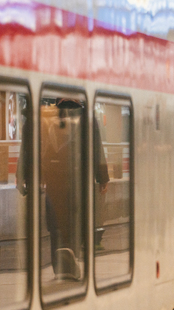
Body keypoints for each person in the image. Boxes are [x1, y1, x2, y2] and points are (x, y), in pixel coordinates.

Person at [17, 98, 109, 281]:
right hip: (81, 180)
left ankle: (60, 263)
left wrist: (22, 174)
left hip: (54, 179)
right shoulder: (87, 118)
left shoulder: (44, 117)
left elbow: (28, 144)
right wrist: (102, 177)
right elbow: (96, 148)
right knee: (79, 218)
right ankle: (71, 253)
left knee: (55, 222)